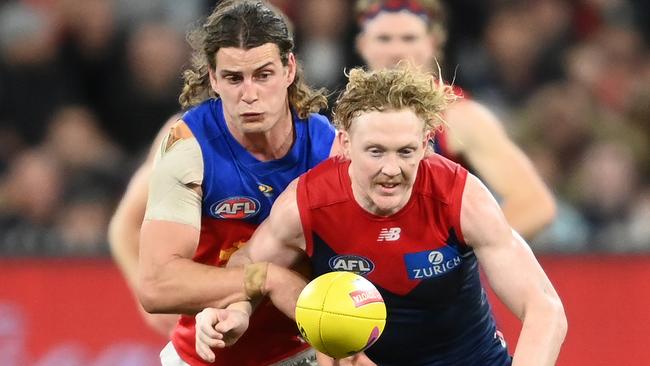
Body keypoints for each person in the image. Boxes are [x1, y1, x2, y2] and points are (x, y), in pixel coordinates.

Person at [194, 66, 567, 365]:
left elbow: (544, 308)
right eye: (375, 151)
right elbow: (248, 264)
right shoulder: (307, 203)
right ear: (344, 145)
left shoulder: (462, 198)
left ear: (425, 145)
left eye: (405, 151)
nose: (392, 169)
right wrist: (238, 310)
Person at [135, 1, 341, 365]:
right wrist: (267, 278)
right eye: (233, 78)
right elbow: (156, 285)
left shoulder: (329, 150)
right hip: (206, 357)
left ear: (289, 69)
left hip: (304, 353)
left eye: (263, 75)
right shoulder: (189, 147)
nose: (249, 94)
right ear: (213, 78)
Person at [354, 0, 556, 240]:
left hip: (435, 272)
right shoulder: (348, 118)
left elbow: (534, 205)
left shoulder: (459, 116)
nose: (396, 51)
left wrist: (460, 252)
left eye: (408, 38)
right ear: (363, 45)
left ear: (433, 43)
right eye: (384, 39)